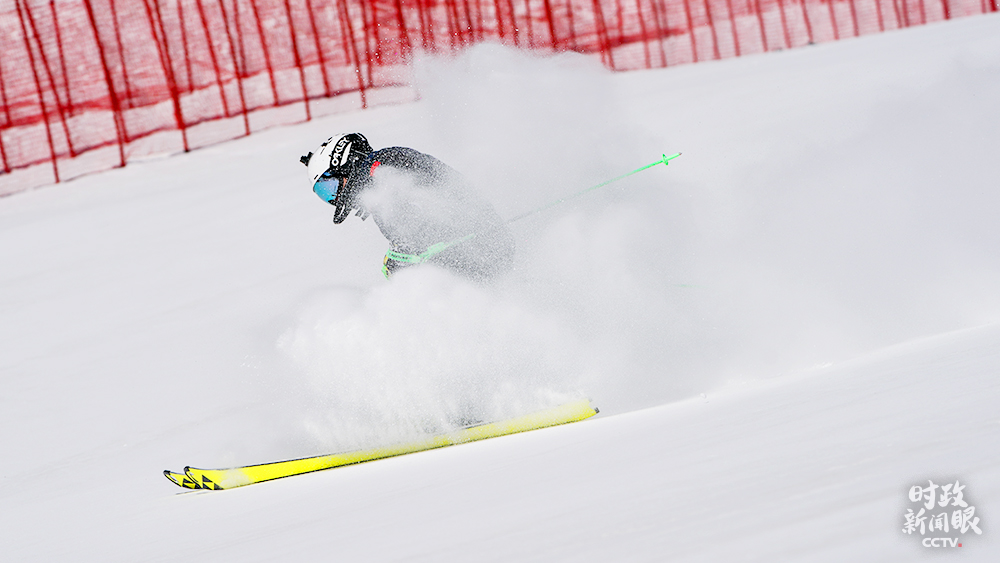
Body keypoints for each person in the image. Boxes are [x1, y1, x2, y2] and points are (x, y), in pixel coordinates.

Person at [301, 133, 515, 281]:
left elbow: (419, 220)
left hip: (475, 244)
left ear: (343, 162)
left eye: (331, 187)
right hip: (475, 246)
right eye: (326, 194)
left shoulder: (379, 169)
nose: (336, 198)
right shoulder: (377, 176)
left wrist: (402, 260)